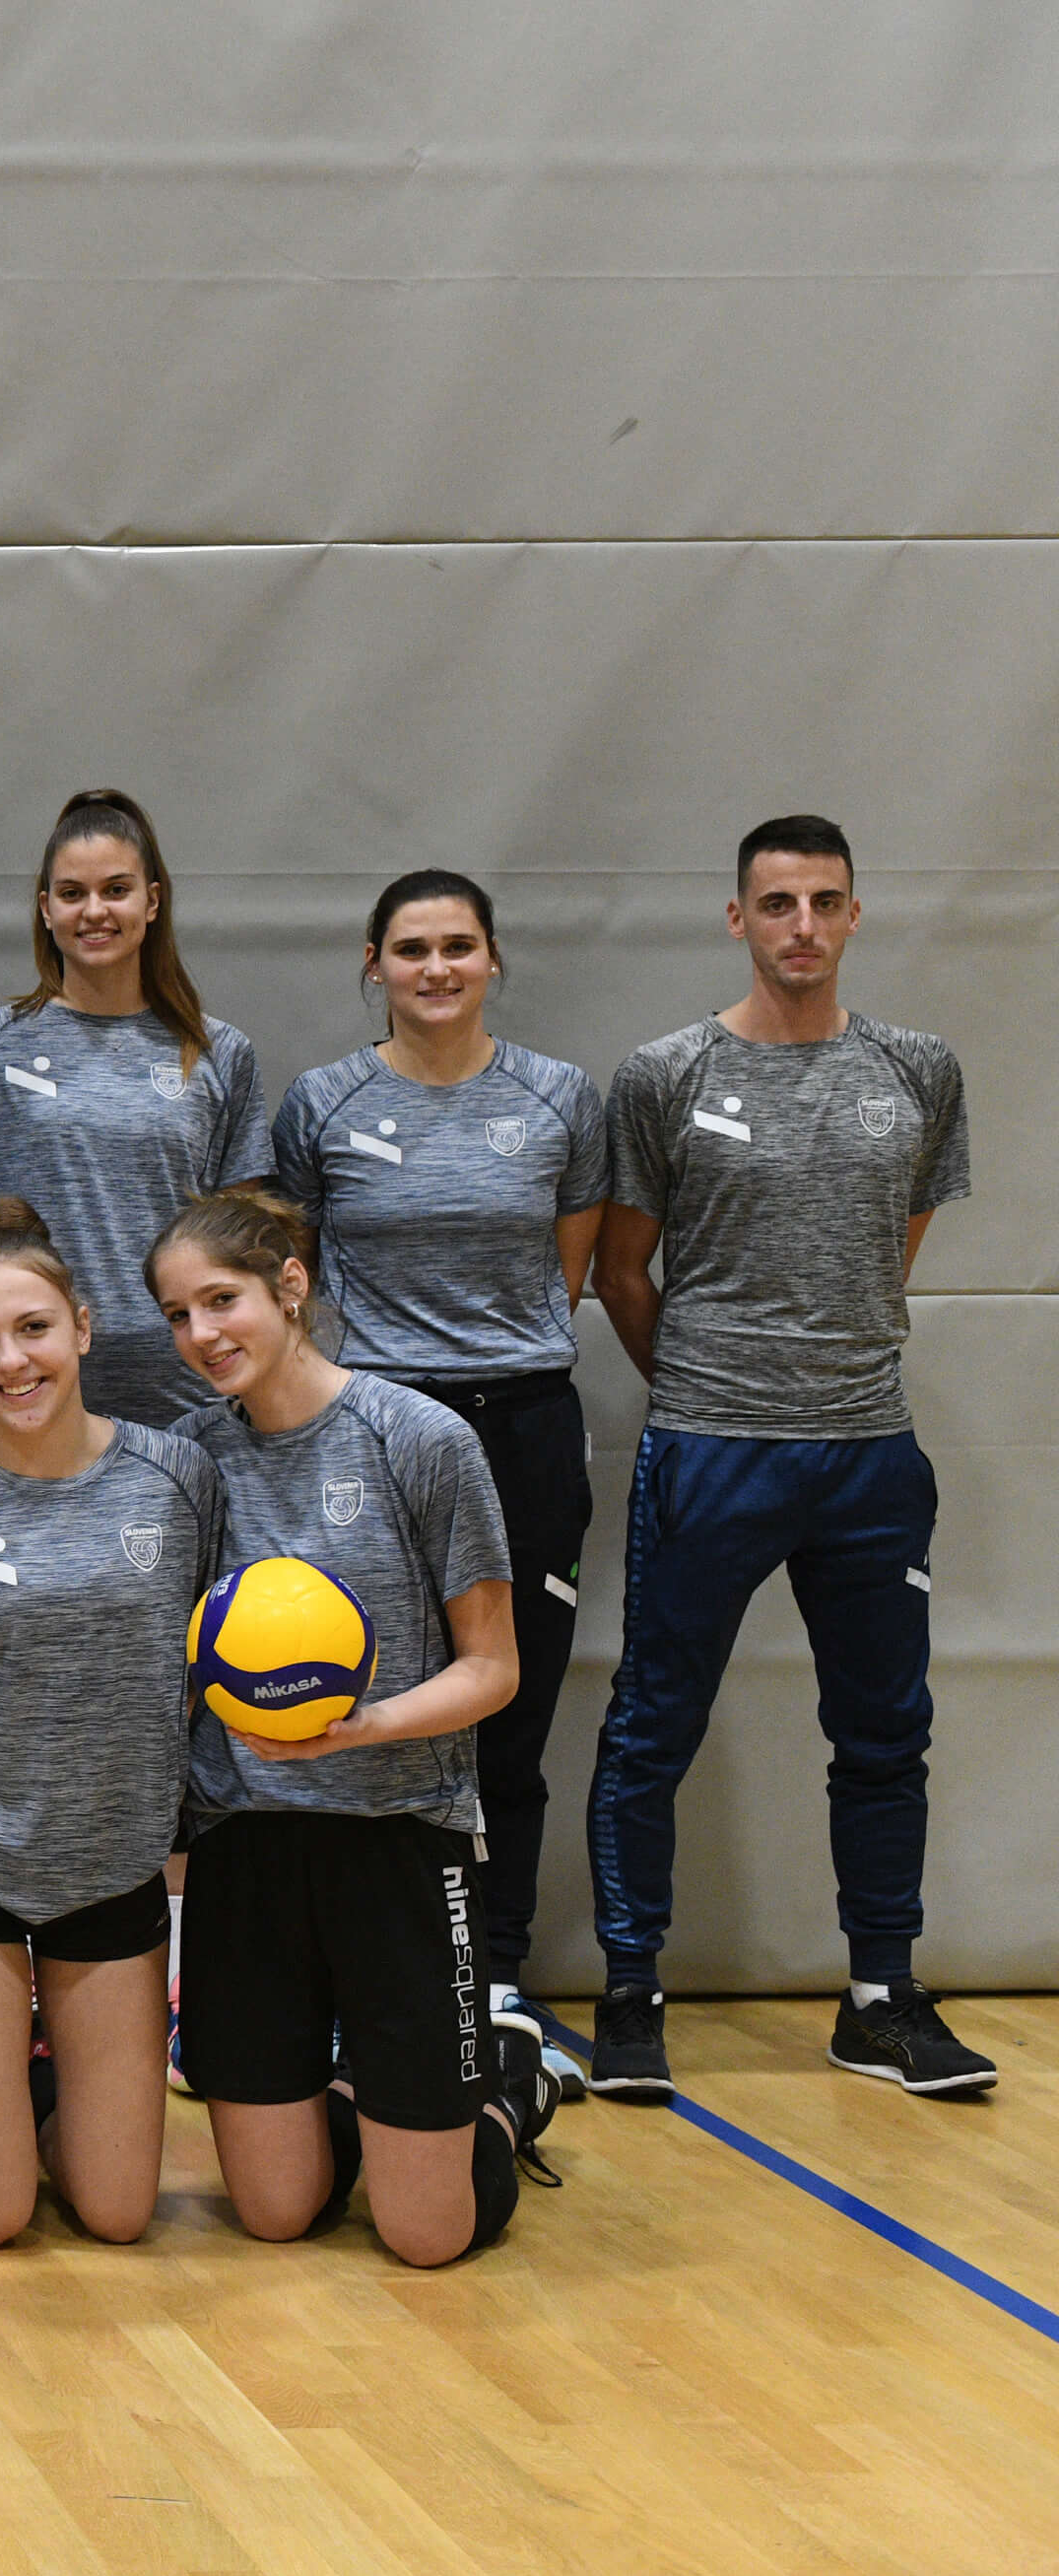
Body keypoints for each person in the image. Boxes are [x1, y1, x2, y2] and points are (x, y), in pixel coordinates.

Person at [586, 814, 987, 2100]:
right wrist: (709, 1386)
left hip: (869, 1458)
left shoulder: (916, 1068)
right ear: (737, 919)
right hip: (712, 1451)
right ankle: (631, 1992)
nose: (801, 926)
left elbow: (891, 1245)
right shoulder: (666, 1073)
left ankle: (880, 1998)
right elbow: (621, 1269)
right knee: (653, 1724)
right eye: (776, 903)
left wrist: (832, 1354)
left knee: (885, 1730)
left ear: (854, 915)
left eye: (823, 901)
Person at [153, 1190, 540, 2265]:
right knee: (277, 2214)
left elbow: (494, 1668)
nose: (201, 1334)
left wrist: (357, 1731)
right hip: (248, 1848)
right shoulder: (188, 1458)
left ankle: (507, 2091)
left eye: (221, 1300)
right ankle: (353, 2091)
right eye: (178, 1315)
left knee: (425, 2238)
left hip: (400, 1837)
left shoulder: (419, 1438)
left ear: (290, 1285)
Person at [267, 871, 603, 2096]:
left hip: (523, 1427)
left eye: (458, 946)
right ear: (374, 965)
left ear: (492, 959)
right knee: (369, 1700)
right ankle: (358, 1982)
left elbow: (567, 1271)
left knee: (508, 1713)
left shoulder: (560, 1098)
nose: (436, 969)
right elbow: (297, 1271)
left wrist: (493, 1361)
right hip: (376, 1433)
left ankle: (495, 1976)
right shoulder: (322, 1102)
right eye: (411, 949)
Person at [0, 1199, 222, 2247]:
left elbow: (208, 1667)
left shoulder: (178, 1476)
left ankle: (28, 2109)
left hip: (113, 1866)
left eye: (32, 1329)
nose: (10, 1361)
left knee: (116, 2213)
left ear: (83, 1329)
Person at [0, 789, 268, 1429]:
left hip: (183, 1390)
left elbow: (238, 1235)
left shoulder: (218, 1052)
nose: (94, 911)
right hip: (23, 1380)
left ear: (151, 902)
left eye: (116, 890)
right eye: (72, 893)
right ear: (46, 908)